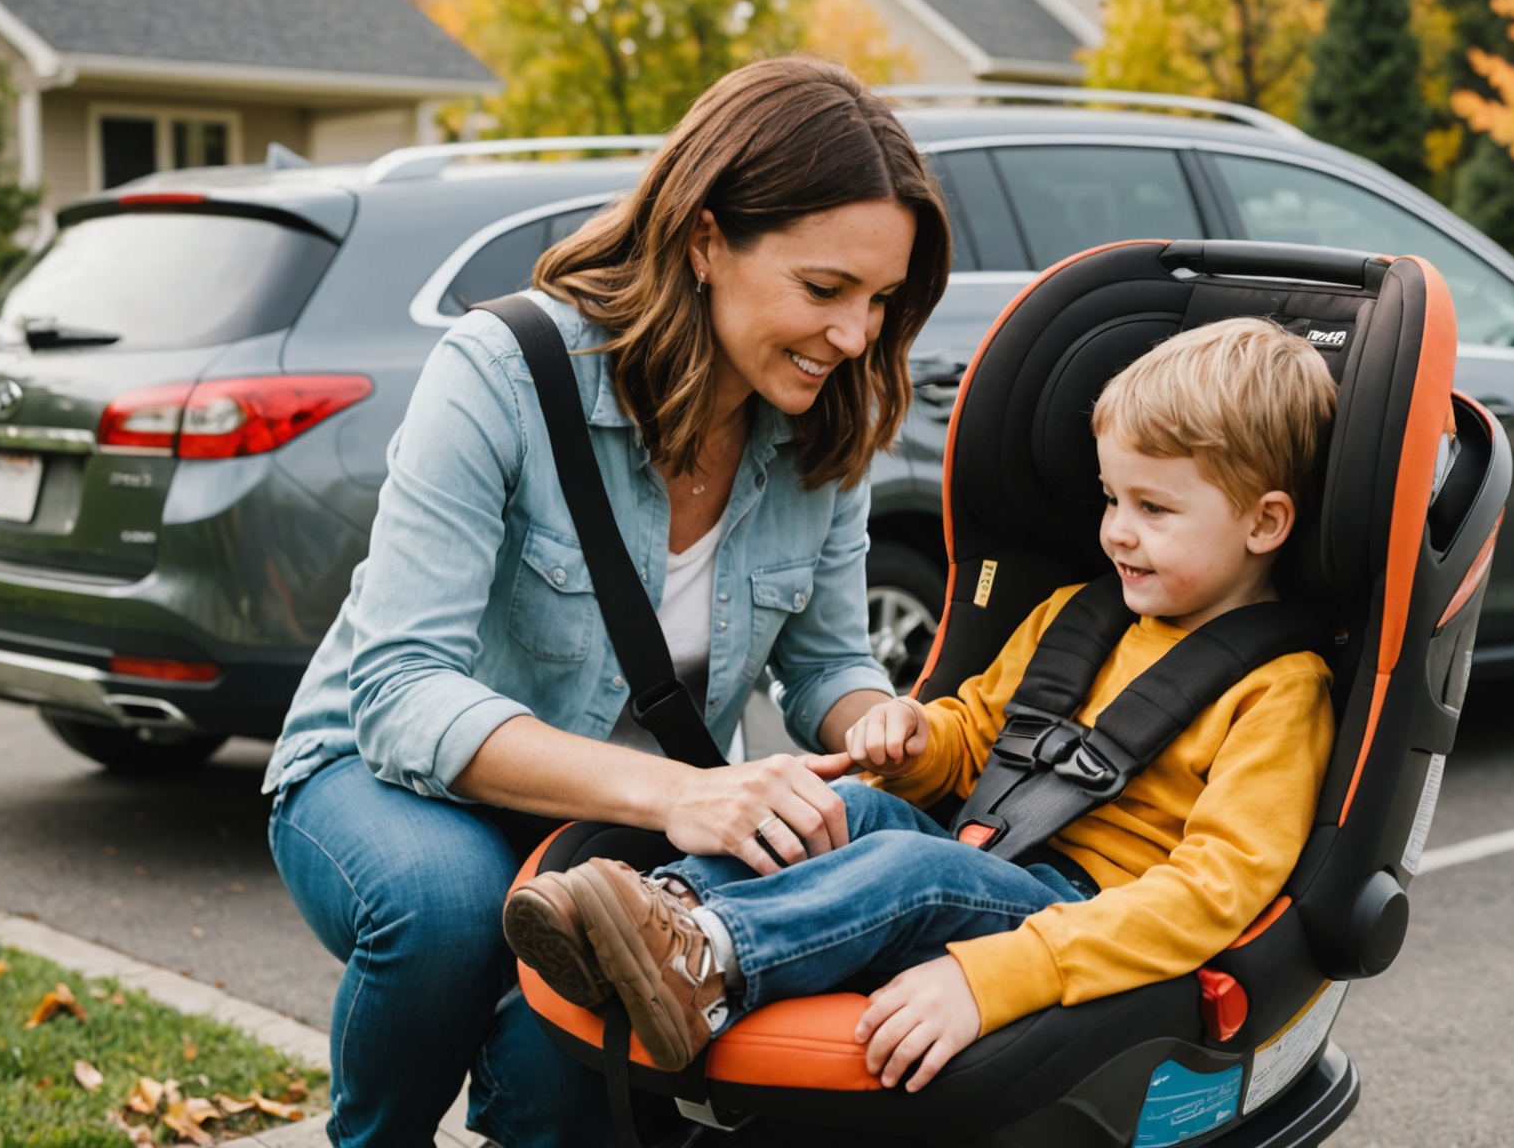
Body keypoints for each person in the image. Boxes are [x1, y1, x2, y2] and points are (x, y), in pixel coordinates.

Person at [263, 58, 951, 1148]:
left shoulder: (829, 421)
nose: (858, 337)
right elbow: (396, 693)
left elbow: (825, 664)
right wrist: (679, 795)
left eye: (881, 301)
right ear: (704, 240)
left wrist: (873, 714)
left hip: (615, 817)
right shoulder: (500, 370)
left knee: (582, 1050)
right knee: (449, 910)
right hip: (381, 775)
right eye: (825, 291)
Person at [508, 316, 1340, 1091]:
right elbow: (979, 735)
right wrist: (914, 737)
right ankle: (661, 911)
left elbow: (1212, 893)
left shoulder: (1281, 689)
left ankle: (706, 963)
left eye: (1154, 510)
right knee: (839, 806)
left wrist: (1001, 973)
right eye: (1113, 500)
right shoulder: (1077, 620)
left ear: (1264, 524)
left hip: (1084, 918)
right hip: (990, 856)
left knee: (915, 868)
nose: (1118, 532)